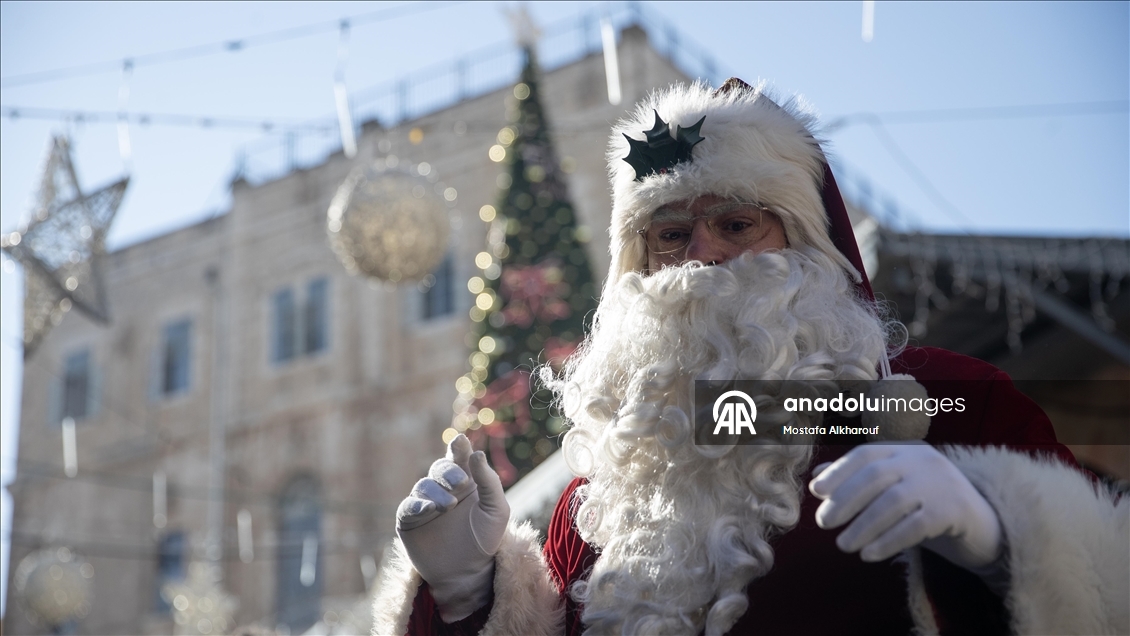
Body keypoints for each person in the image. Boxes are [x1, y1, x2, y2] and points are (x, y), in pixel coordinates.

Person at [374, 79, 1129, 635]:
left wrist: (1002, 533)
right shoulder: (597, 495)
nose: (700, 259)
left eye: (737, 224)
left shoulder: (950, 400)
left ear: (805, 244)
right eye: (668, 236)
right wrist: (469, 595)